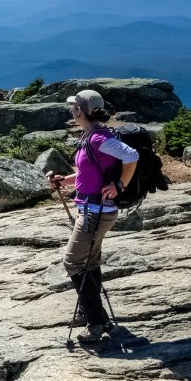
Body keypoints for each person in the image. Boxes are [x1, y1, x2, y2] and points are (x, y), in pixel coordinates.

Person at [49, 89, 138, 343]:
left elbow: (132, 156)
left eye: (73, 107)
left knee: (72, 262)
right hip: (93, 210)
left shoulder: (98, 138)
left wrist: (120, 185)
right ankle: (92, 313)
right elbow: (86, 174)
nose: (71, 111)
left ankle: (95, 321)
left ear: (80, 110)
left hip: (96, 212)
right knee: (89, 263)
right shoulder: (90, 137)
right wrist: (63, 181)